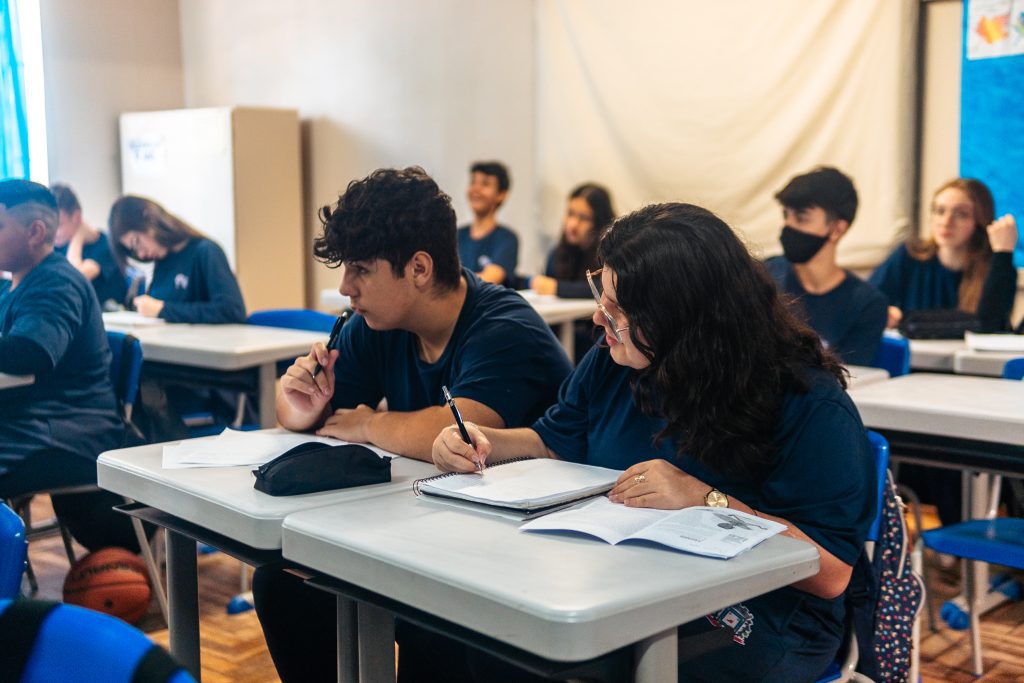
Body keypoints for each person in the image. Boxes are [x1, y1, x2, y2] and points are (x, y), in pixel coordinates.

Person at [433, 203, 877, 682]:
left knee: (579, 666)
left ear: (681, 317)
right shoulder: (618, 358)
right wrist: (480, 442)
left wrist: (706, 501)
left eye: (618, 312)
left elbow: (831, 573)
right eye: (602, 299)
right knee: (463, 635)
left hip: (767, 611)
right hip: (631, 575)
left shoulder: (806, 403)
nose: (600, 322)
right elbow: (553, 441)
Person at [253, 166, 573, 683]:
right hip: (437, 534)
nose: (344, 288)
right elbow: (311, 417)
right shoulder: (379, 322)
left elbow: (458, 430)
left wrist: (368, 425)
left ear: (419, 269)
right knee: (284, 584)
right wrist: (300, 402)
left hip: (523, 561)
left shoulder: (505, 327)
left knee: (436, 636)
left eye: (359, 269)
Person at [0, 179, 139, 552]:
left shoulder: (57, 282)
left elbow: (29, 353)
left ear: (35, 232)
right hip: (28, 425)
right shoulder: (11, 285)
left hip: (64, 433)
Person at [764, 167, 887, 366]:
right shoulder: (764, 278)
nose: (787, 226)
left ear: (837, 229)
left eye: (801, 217)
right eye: (786, 215)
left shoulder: (867, 305)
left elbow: (848, 381)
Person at [869, 178, 1018, 332]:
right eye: (940, 211)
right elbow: (867, 304)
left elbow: (990, 326)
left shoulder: (996, 269)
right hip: (916, 355)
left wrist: (1002, 254)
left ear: (980, 221)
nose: (946, 222)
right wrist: (886, 314)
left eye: (961, 214)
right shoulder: (908, 256)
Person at [108, 195, 246, 323]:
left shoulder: (205, 251)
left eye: (136, 242)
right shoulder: (163, 262)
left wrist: (163, 309)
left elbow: (232, 311)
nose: (141, 255)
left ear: (149, 219)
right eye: (133, 251)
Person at [525, 182, 615, 299]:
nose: (573, 224)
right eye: (570, 214)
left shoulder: (611, 254)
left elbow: (608, 287)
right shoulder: (557, 253)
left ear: (599, 222)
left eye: (584, 218)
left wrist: (557, 288)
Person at [50, 184, 126, 310]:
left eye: (59, 225)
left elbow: (73, 278)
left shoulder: (105, 245)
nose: (52, 233)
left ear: (77, 218)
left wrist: (78, 237)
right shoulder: (58, 245)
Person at [456, 161, 518, 286]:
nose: (475, 189)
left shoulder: (507, 239)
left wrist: (448, 284)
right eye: (473, 182)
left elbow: (491, 279)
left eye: (485, 184)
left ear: (501, 194)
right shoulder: (455, 235)